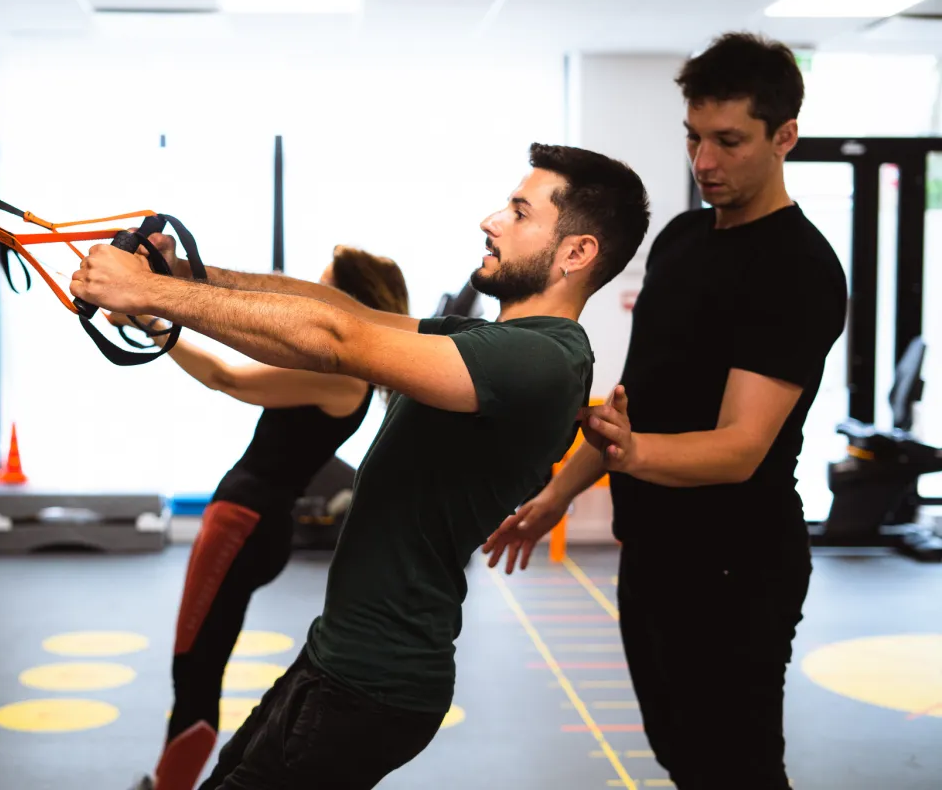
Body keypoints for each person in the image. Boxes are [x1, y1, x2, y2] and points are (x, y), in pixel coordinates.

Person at [72, 143, 650, 789]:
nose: (490, 221)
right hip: (337, 662)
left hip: (372, 686)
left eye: (519, 212)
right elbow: (347, 313)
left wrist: (149, 292)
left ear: (576, 252)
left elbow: (335, 340)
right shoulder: (490, 342)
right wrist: (179, 274)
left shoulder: (538, 359)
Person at [483, 33, 848, 790]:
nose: (704, 161)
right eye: (693, 137)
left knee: (737, 769)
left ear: (784, 136)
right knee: (681, 756)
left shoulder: (799, 268)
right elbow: (635, 403)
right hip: (650, 549)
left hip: (737, 566)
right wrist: (556, 496)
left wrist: (632, 452)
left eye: (728, 141)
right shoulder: (682, 239)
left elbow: (739, 448)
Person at [113, 246, 410, 790]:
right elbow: (245, 340)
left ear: (350, 300)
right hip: (250, 522)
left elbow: (225, 377)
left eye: (324, 287)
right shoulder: (333, 369)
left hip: (243, 525)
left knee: (195, 670)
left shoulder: (342, 377)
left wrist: (152, 320)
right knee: (198, 666)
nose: (312, 296)